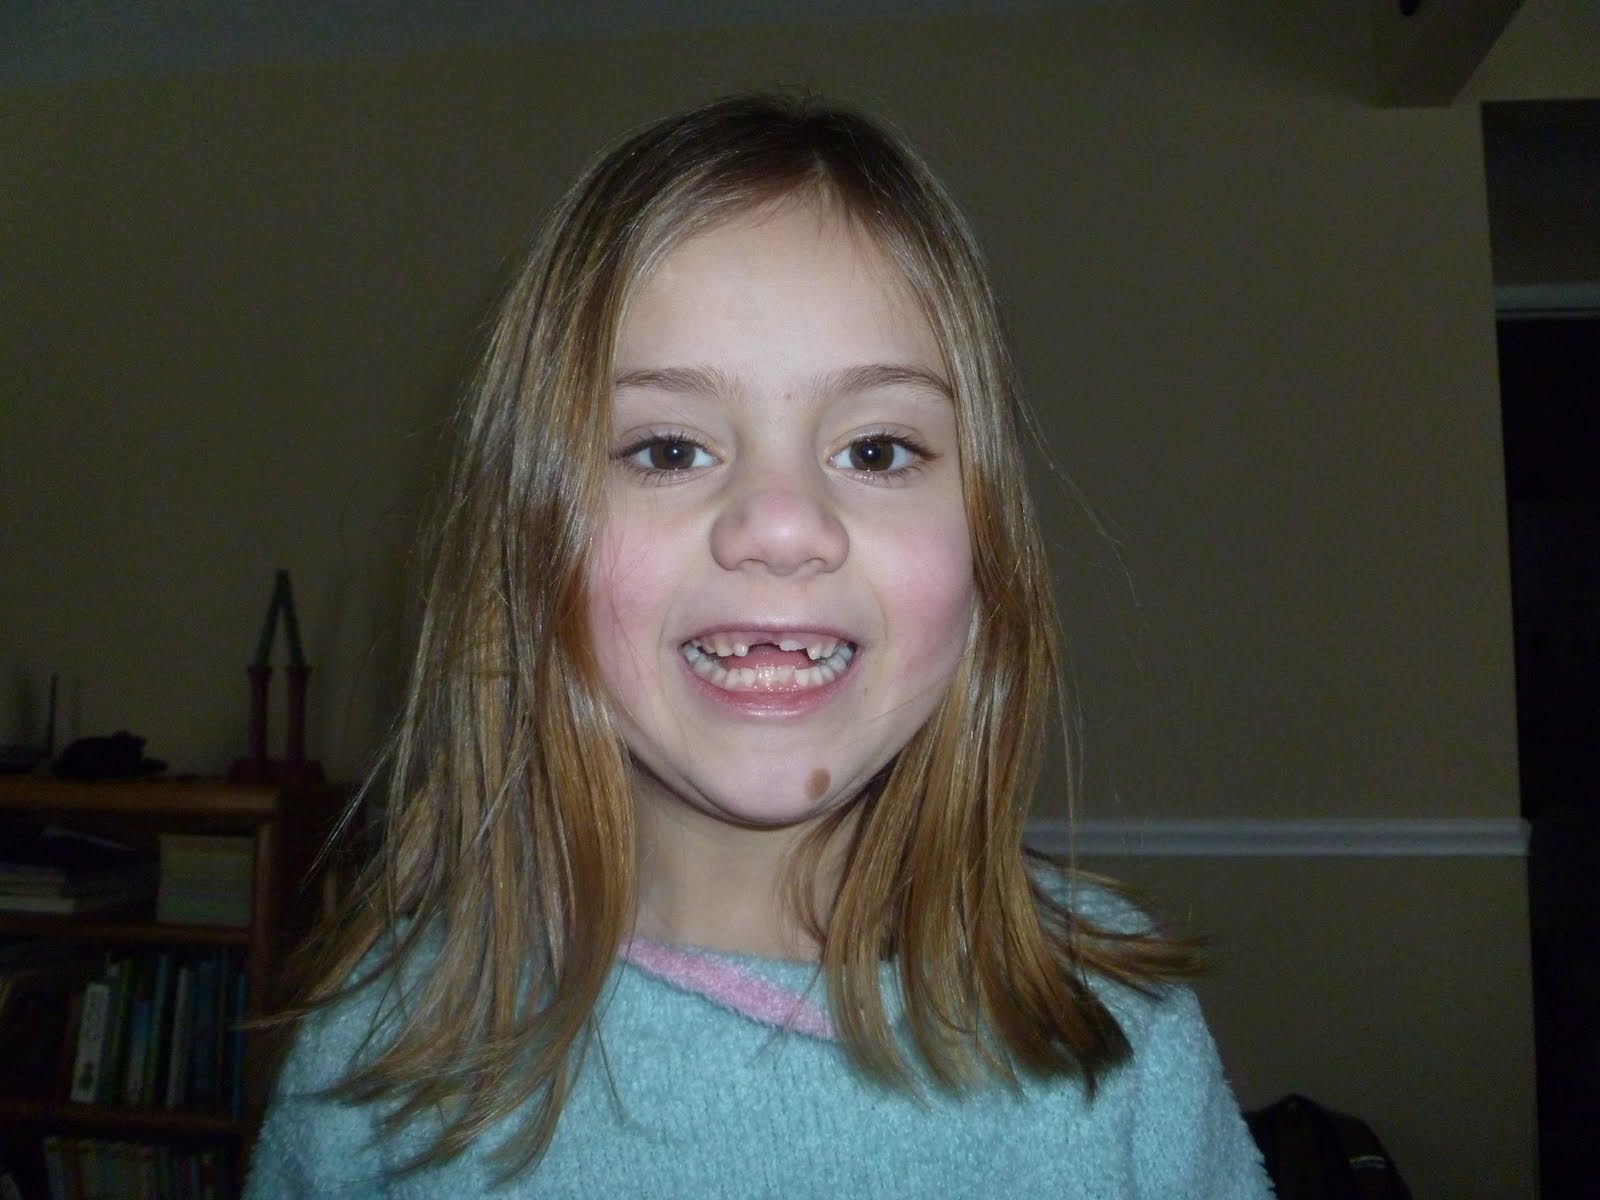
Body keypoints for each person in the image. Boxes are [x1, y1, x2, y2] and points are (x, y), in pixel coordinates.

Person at [244, 93, 1271, 1198]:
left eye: (876, 451)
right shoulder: (378, 1064)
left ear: (990, 555)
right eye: (669, 450)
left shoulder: (1111, 1039)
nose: (782, 527)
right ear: (528, 550)